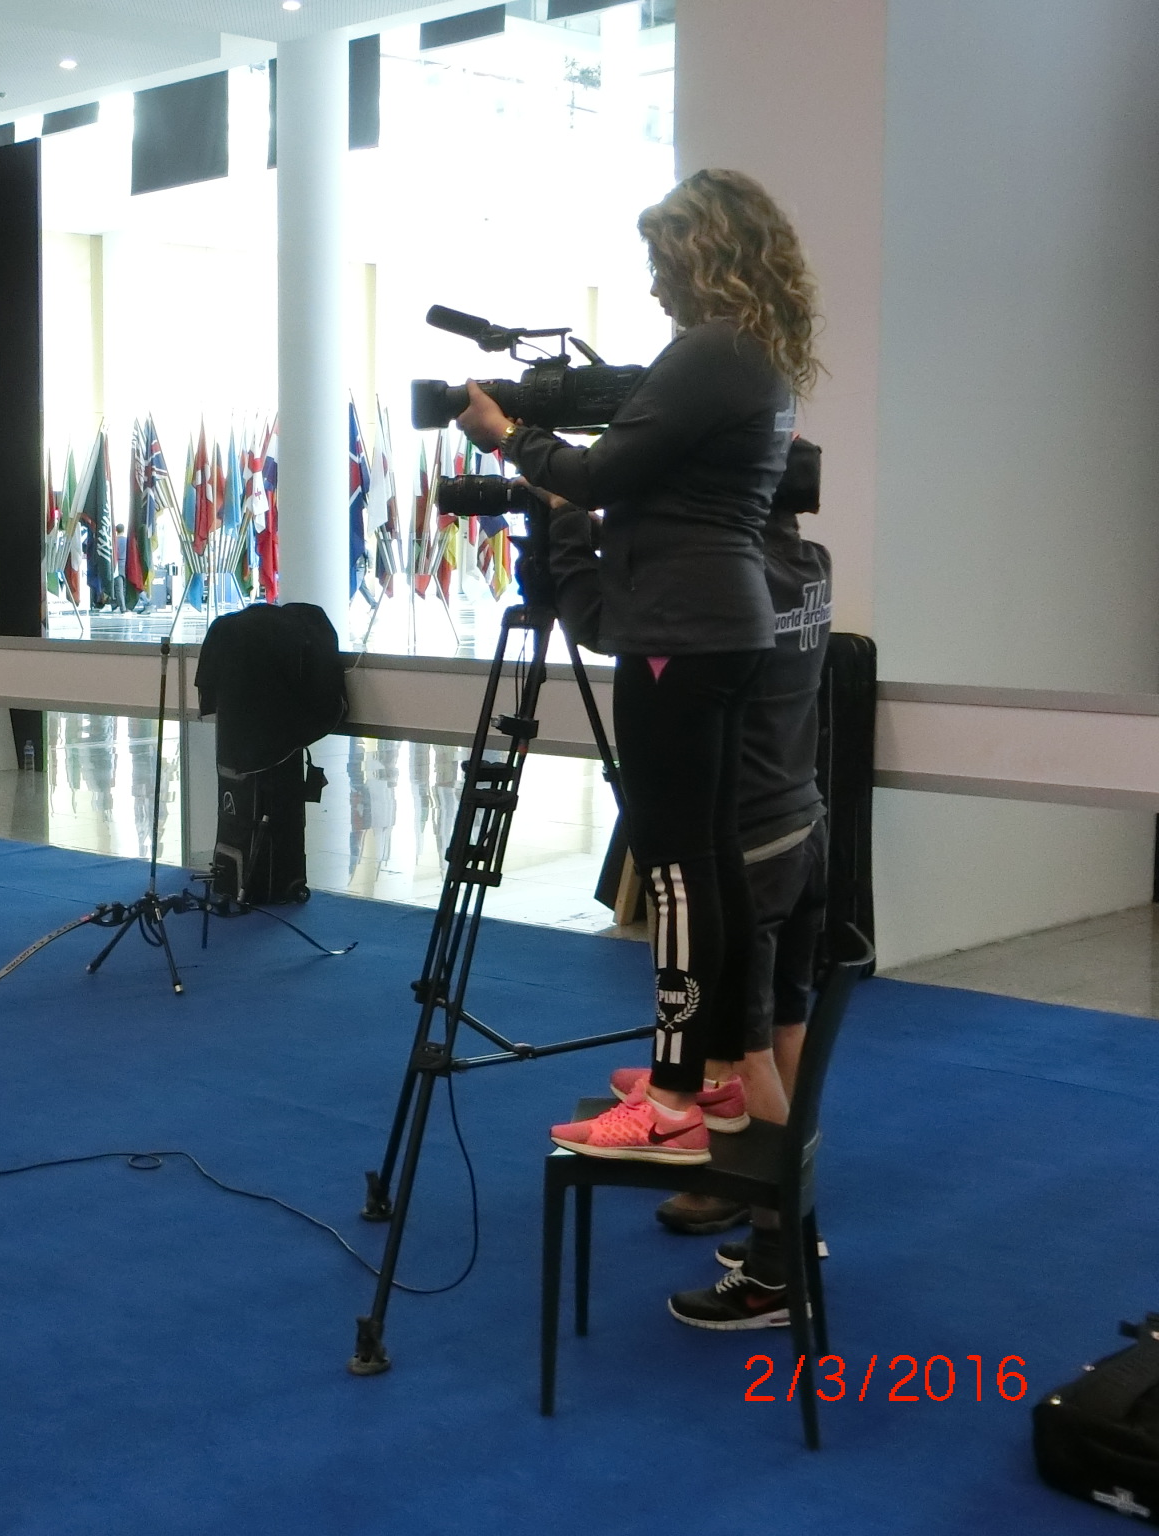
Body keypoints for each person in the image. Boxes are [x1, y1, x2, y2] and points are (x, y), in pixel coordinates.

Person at [456, 167, 818, 1168]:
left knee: (672, 869)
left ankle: (669, 1101)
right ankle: (713, 1076)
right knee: (710, 860)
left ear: (704, 254)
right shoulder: (759, 354)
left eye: (661, 261)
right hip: (718, 625)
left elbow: (597, 473)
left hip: (678, 632)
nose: (655, 282)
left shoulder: (711, 350)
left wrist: (506, 434)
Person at [543, 437, 832, 1327]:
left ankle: (780, 1261)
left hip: (743, 842)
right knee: (782, 1030)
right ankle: (770, 1205)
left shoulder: (725, 585)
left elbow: (602, 622)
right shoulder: (808, 563)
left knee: (745, 1052)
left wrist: (568, 528)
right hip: (801, 820)